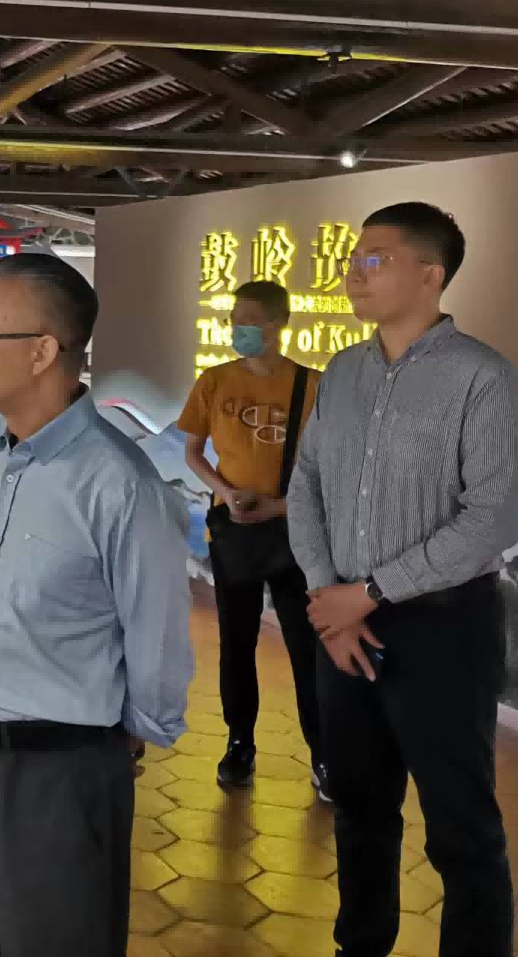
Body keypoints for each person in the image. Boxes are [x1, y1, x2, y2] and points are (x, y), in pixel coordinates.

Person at [288, 203, 518, 957]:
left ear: (431, 275)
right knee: (359, 807)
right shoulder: (343, 372)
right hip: (344, 624)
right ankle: (360, 944)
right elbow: (306, 485)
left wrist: (368, 593)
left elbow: (493, 518)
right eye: (352, 261)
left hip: (443, 628)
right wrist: (330, 600)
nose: (353, 274)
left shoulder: (482, 378)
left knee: (461, 827)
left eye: (376, 260)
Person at [0, 253, 192, 957]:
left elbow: (158, 638)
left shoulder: (119, 484)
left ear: (43, 352)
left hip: (58, 770)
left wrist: (117, 745)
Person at [178, 279, 327, 797]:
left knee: (305, 646)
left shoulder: (313, 386)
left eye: (246, 322)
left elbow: (329, 472)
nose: (236, 330)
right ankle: (239, 742)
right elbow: (193, 452)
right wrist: (227, 493)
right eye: (233, 321)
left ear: (277, 325)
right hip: (234, 532)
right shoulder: (214, 382)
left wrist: (276, 507)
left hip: (294, 533)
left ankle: (323, 753)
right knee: (236, 643)